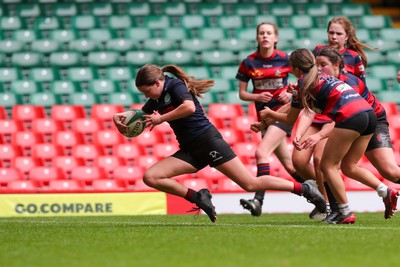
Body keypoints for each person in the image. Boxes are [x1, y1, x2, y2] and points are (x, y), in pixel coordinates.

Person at [113, 64, 326, 223]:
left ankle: (305, 189)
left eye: (146, 91)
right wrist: (118, 118)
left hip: (207, 141)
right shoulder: (157, 98)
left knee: (250, 184)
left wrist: (161, 119)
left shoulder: (174, 85)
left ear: (158, 83)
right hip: (190, 150)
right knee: (151, 177)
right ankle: (199, 197)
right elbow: (141, 116)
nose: (145, 95)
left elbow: (188, 107)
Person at [258, 48, 398, 224]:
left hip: (351, 116)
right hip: (369, 115)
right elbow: (306, 111)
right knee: (349, 167)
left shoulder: (304, 83)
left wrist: (270, 113)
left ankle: (344, 212)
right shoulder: (322, 77)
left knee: (327, 165)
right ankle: (386, 191)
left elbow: (290, 118)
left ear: (294, 68)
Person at [313, 47, 400, 221]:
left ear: (337, 65)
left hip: (373, 120)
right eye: (317, 65)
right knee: (345, 167)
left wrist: (319, 135)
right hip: (357, 122)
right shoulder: (325, 83)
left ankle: (341, 211)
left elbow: (349, 115)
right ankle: (384, 193)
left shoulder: (349, 83)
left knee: (391, 172)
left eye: (323, 65)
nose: (319, 69)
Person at [235, 22, 306, 217]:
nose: (265, 36)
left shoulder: (286, 59)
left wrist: (289, 94)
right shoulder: (248, 62)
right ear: (257, 38)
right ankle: (320, 196)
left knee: (261, 153)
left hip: (283, 114)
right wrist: (256, 97)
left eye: (269, 33)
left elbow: (301, 83)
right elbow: (242, 94)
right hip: (264, 117)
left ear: (276, 37)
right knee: (290, 166)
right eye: (261, 33)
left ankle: (258, 200)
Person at [313, 16, 377, 85]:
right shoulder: (318, 50)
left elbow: (361, 85)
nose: (334, 37)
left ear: (347, 36)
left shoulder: (354, 56)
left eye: (339, 34)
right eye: (331, 33)